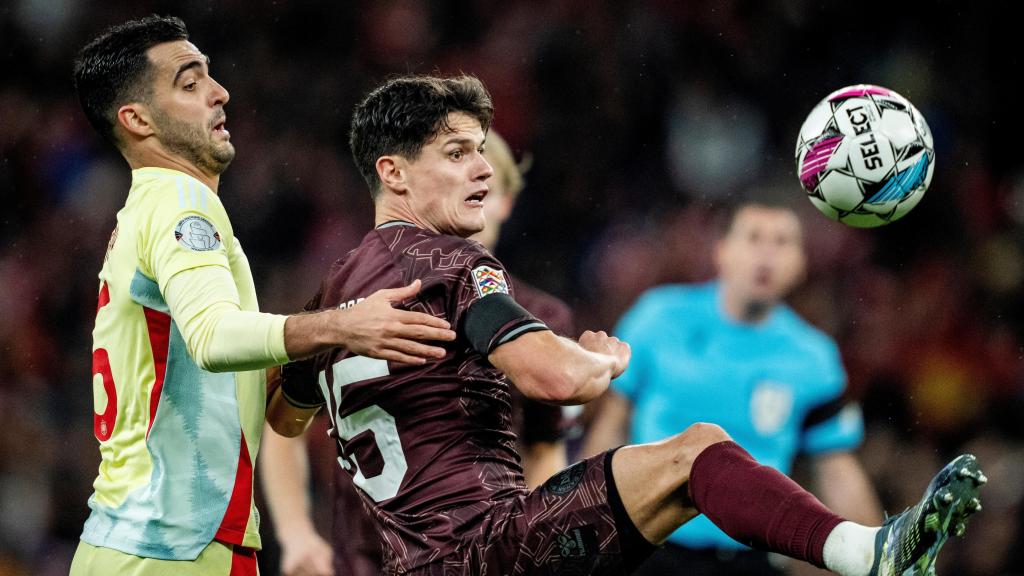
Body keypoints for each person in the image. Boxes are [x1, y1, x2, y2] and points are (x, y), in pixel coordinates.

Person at [275, 74, 984, 576]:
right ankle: (867, 553)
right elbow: (553, 379)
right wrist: (598, 360)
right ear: (393, 173)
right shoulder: (455, 261)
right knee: (696, 450)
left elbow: (282, 416)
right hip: (488, 551)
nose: (482, 173)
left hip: (408, 562)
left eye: (482, 152)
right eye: (457, 153)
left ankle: (865, 549)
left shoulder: (335, 293)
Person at [69, 16, 455, 576]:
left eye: (210, 75)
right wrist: (342, 325)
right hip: (172, 548)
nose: (219, 92)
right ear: (137, 120)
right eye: (189, 82)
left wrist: (304, 362)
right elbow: (213, 338)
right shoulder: (181, 201)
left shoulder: (146, 210)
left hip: (148, 545)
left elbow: (226, 378)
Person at [258, 130, 574, 576]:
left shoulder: (540, 318)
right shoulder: (361, 303)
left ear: (505, 200)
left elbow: (544, 448)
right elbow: (282, 419)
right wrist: (295, 533)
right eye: (454, 169)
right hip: (363, 553)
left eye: (486, 181)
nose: (472, 186)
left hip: (479, 553)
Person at [583, 202, 882, 575]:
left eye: (782, 242)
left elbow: (837, 469)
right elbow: (612, 424)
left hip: (749, 562)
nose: (767, 254)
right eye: (754, 237)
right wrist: (585, 528)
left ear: (800, 264)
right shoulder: (657, 318)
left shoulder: (813, 358)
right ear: (722, 251)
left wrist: (881, 555)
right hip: (650, 551)